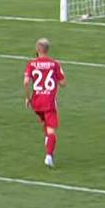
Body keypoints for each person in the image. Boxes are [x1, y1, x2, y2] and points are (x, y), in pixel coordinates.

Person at [24, 38, 66, 169]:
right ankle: (49, 155)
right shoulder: (54, 64)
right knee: (51, 130)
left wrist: (28, 97)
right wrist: (62, 73)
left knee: (46, 125)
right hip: (49, 102)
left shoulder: (31, 64)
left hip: (36, 102)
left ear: (37, 49)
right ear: (48, 50)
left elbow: (26, 82)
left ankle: (48, 141)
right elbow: (63, 84)